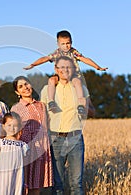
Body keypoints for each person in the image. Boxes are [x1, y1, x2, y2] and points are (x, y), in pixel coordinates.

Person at [40, 56, 95, 195]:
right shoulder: (47, 90)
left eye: (68, 67)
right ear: (56, 69)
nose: (65, 70)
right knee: (57, 184)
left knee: (76, 184)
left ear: (73, 69)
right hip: (55, 139)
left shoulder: (80, 88)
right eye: (62, 67)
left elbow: (93, 112)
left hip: (75, 138)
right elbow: (43, 115)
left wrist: (83, 104)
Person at [24, 30, 107, 114]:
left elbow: (85, 59)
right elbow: (45, 58)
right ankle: (51, 102)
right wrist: (33, 64)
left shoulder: (73, 52)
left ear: (71, 42)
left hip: (73, 75)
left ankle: (81, 105)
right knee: (51, 80)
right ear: (58, 44)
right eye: (63, 44)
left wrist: (97, 67)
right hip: (60, 76)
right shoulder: (56, 53)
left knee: (77, 82)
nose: (66, 46)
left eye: (68, 43)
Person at [11, 76, 53, 195]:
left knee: (36, 185)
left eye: (26, 84)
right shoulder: (16, 108)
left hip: (42, 146)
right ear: (17, 92)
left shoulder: (41, 105)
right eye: (21, 86)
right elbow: (14, 130)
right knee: (24, 184)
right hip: (27, 147)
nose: (25, 88)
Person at [0, 112, 29, 195]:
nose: (12, 128)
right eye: (9, 125)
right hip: (2, 178)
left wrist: (25, 183)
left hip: (17, 178)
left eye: (15, 126)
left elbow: (25, 166)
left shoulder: (23, 145)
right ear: (4, 126)